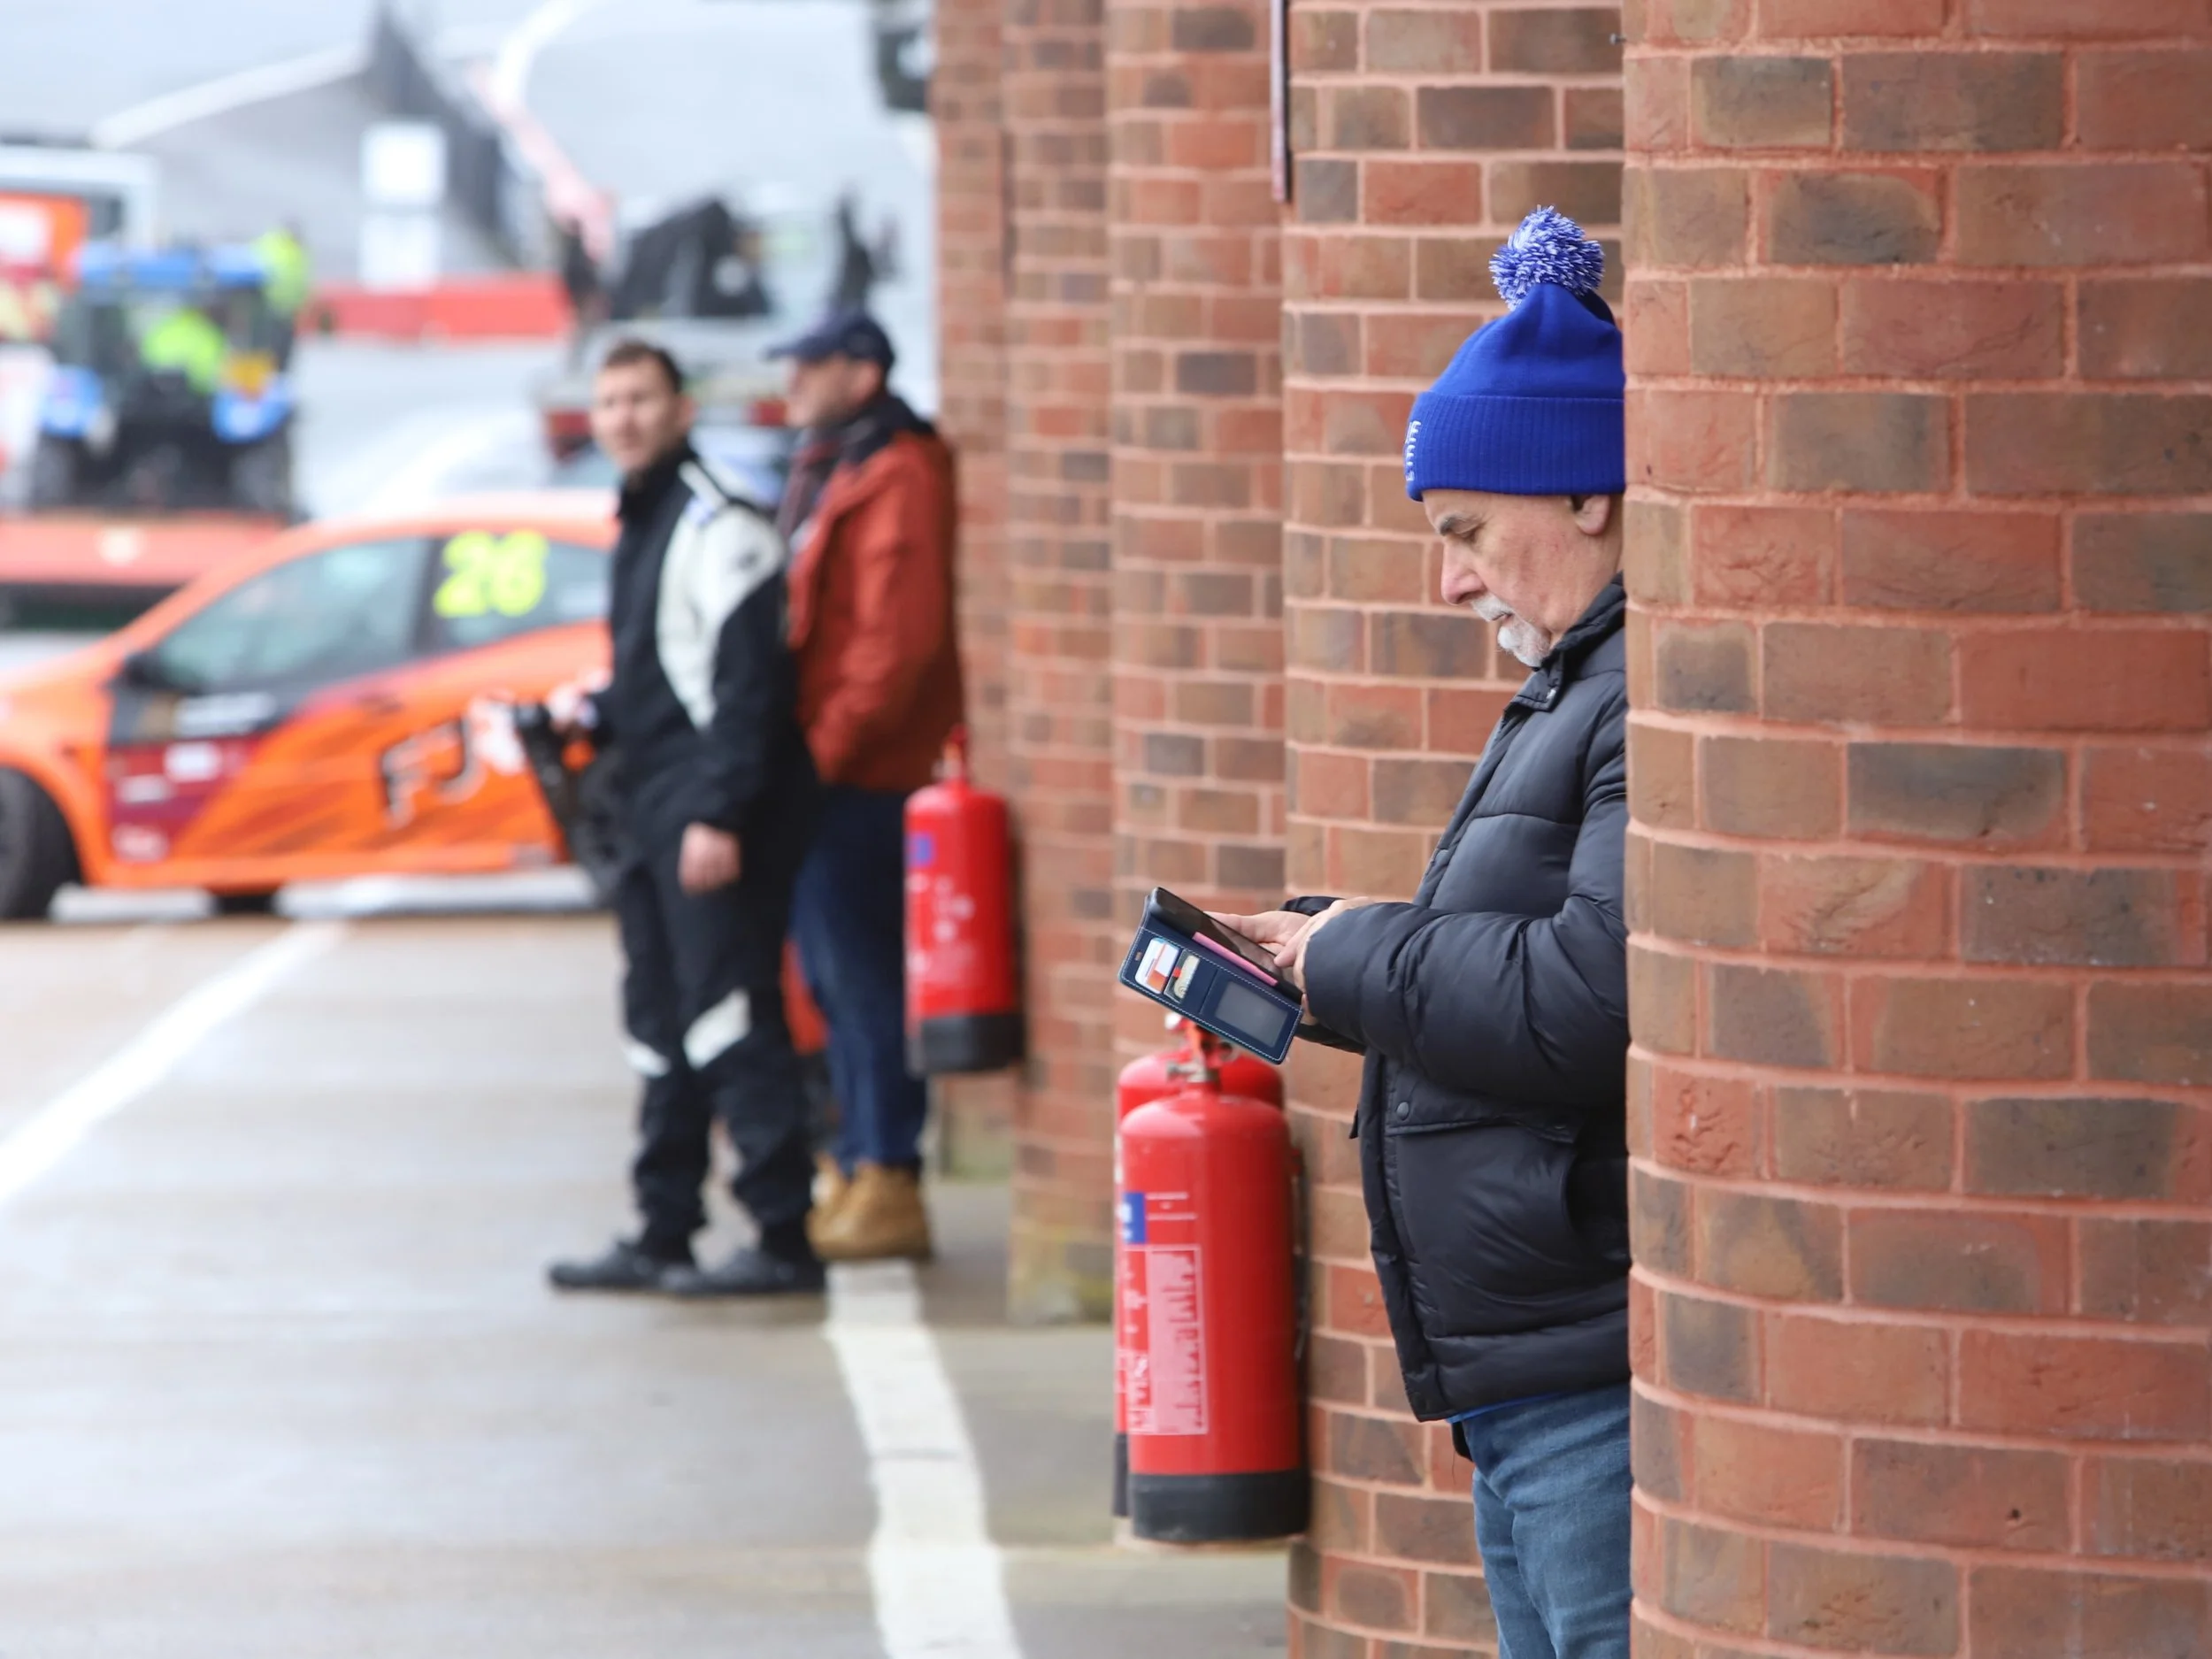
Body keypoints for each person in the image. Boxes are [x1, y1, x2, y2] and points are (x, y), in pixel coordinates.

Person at [1214, 208, 1632, 1659]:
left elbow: (1587, 993)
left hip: (1586, 1371)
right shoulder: (1578, 685)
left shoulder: (1628, 691)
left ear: (1583, 493)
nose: (1450, 582)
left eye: (1463, 531)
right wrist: (1321, 954)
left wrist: (1354, 955)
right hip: (1532, 1377)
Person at [546, 338, 826, 1297]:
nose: (622, 416)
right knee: (662, 1024)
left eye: (641, 398)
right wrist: (594, 713)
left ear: (680, 408)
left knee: (730, 1020)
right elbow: (663, 673)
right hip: (652, 810)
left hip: (709, 814)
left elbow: (751, 689)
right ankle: (663, 1229)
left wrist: (719, 813)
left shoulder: (719, 522)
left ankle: (783, 1237)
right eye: (609, 400)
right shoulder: (642, 515)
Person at [770, 309, 960, 1262]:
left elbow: (894, 645)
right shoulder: (842, 460)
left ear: (861, 371)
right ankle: (858, 1161)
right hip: (830, 767)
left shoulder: (894, 470)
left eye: (810, 364)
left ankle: (887, 1173)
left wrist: (821, 755)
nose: (792, 381)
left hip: (860, 775)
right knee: (837, 984)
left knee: (865, 982)